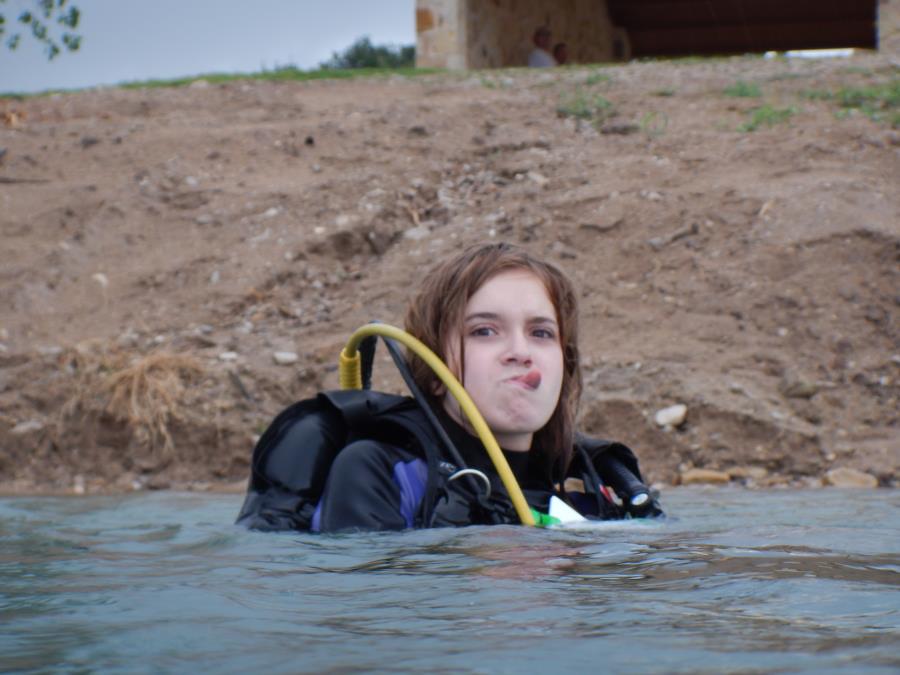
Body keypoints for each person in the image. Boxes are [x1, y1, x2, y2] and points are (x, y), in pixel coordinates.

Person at [236, 242, 663, 532]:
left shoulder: (601, 488)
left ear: (564, 363)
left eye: (541, 333)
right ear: (432, 368)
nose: (520, 352)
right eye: (484, 331)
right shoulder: (379, 473)